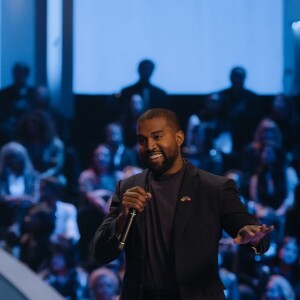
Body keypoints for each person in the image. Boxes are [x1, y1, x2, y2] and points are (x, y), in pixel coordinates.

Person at [92, 108, 273, 300]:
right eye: (142, 140)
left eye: (157, 137)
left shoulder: (214, 188)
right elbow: (100, 252)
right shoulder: (128, 187)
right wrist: (122, 219)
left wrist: (253, 237)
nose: (150, 146)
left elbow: (253, 232)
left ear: (179, 138)